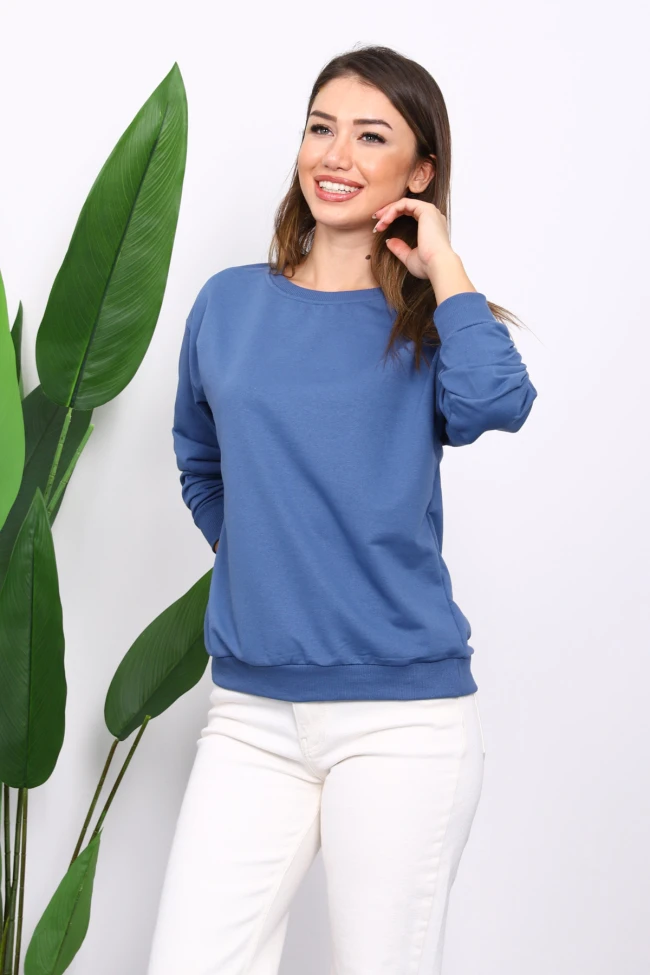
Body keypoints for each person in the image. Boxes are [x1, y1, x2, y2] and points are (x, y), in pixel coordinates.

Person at [146, 44, 537, 975]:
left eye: (371, 136)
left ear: (421, 171)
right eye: (321, 127)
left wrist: (443, 263)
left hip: (402, 720)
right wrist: (265, 553)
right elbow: (200, 460)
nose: (336, 155)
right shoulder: (228, 304)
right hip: (250, 713)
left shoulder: (433, 322)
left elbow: (497, 402)